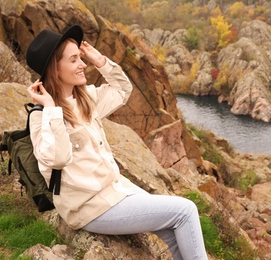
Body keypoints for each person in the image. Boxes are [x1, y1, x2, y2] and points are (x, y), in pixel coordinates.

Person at [25, 25, 208, 260]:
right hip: (89, 206)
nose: (82, 64)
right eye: (74, 60)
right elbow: (59, 159)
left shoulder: (84, 97)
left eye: (81, 57)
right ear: (54, 69)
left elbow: (123, 90)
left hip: (116, 188)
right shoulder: (41, 117)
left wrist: (100, 60)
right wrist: (51, 109)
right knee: (185, 211)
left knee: (172, 230)